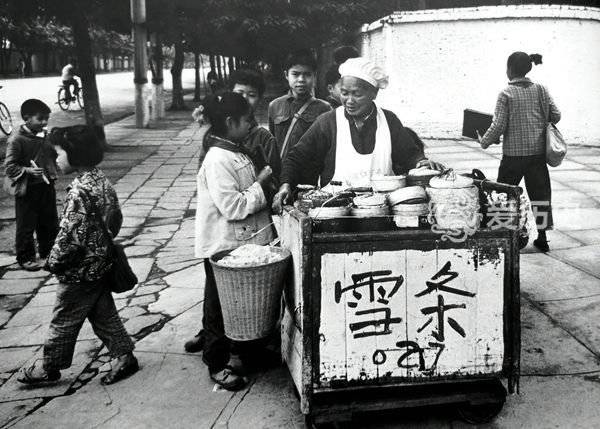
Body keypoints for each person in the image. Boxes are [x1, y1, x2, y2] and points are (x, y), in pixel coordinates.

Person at [17, 125, 139, 386]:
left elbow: (70, 236)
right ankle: (124, 355)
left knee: (64, 318)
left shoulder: (79, 192)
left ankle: (49, 367)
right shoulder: (102, 181)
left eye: (59, 153)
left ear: (75, 154)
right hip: (100, 262)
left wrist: (53, 261)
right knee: (102, 312)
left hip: (79, 269)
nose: (56, 158)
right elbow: (116, 219)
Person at [185, 70, 280, 354]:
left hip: (237, 243)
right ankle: (215, 360)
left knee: (235, 304)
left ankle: (240, 350)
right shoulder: (218, 158)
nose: (251, 123)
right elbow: (233, 206)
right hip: (222, 245)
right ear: (230, 122)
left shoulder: (235, 149)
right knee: (216, 306)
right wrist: (261, 183)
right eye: (246, 120)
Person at [273, 57, 443, 211]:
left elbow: (410, 155)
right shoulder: (328, 122)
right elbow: (297, 157)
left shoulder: (389, 121)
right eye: (345, 93)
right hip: (336, 209)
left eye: (357, 94)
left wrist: (421, 163)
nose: (349, 101)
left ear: (374, 93)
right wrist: (285, 185)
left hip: (381, 209)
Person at [478, 52, 560, 252]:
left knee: (503, 195)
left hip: (513, 157)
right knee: (540, 197)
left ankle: (502, 235)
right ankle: (542, 237)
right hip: (536, 155)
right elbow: (556, 115)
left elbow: (498, 125)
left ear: (510, 69)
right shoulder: (541, 90)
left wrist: (484, 141)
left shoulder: (506, 93)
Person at [4, 99, 59, 271]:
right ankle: (25, 257)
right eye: (40, 119)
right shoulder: (16, 140)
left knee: (49, 221)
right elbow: (9, 167)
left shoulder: (44, 136)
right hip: (27, 189)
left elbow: (53, 156)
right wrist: (27, 170)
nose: (44, 122)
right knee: (26, 225)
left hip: (46, 184)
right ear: (27, 118)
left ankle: (48, 253)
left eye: (46, 119)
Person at [268, 50, 331, 162]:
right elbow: (272, 143)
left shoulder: (324, 108)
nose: (301, 79)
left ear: (314, 76)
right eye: (295, 74)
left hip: (309, 173)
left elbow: (327, 147)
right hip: (281, 171)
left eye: (307, 74)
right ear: (286, 75)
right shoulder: (275, 106)